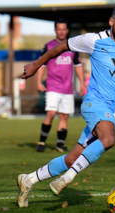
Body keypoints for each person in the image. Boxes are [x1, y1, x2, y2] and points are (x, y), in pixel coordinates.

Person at [18, 3, 115, 208]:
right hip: (95, 103)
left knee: (72, 158)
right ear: (112, 21)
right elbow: (60, 47)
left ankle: (28, 180)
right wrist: (36, 64)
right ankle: (67, 179)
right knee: (108, 139)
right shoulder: (93, 40)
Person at [36, 18, 85, 153]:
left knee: (64, 116)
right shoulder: (48, 46)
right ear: (55, 30)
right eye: (59, 29)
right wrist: (39, 81)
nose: (62, 32)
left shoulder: (73, 46)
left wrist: (82, 83)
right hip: (52, 86)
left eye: (64, 29)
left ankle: (60, 143)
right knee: (51, 113)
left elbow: (78, 65)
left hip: (67, 89)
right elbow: (41, 64)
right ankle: (42, 141)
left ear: (67, 30)